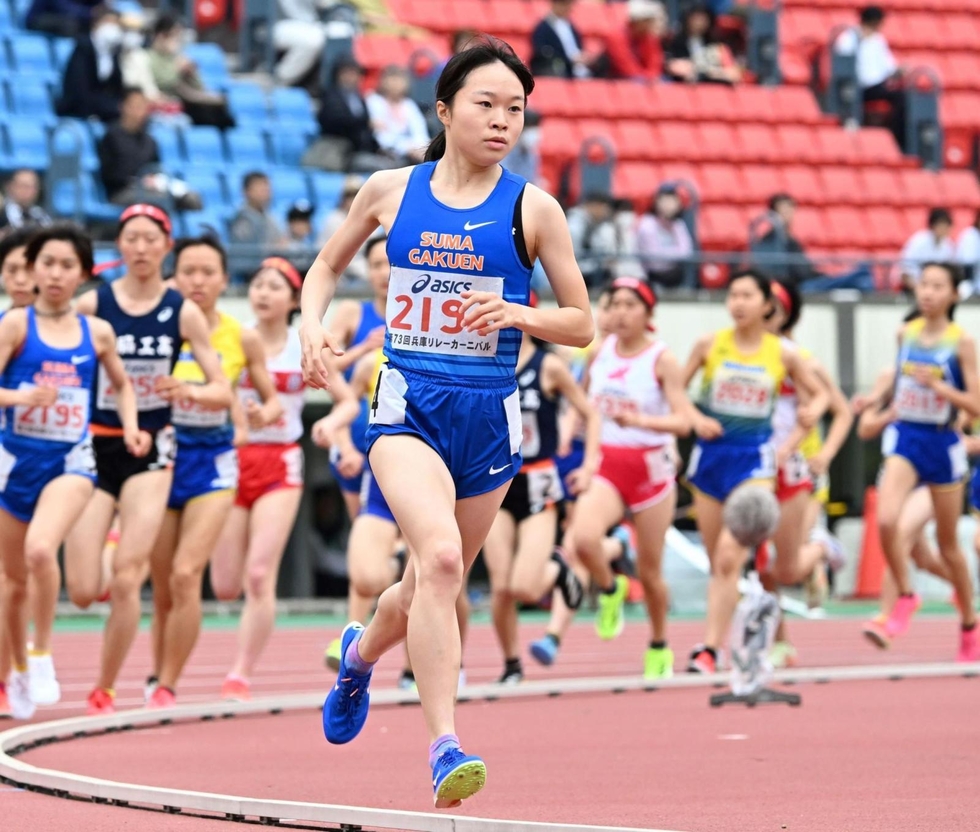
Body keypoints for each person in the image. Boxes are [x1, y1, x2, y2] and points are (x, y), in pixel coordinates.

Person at [300, 38, 593, 807]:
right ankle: (444, 746)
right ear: (445, 109)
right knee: (435, 561)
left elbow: (581, 321)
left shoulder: (534, 208)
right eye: (486, 105)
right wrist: (311, 326)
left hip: (489, 416)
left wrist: (518, 312)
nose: (502, 121)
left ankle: (358, 656)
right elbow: (326, 265)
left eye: (516, 109)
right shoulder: (392, 190)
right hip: (409, 401)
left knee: (428, 581)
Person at [64, 204, 231, 716]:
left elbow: (223, 391)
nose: (139, 248)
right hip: (96, 445)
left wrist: (189, 389)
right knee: (85, 588)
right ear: (120, 246)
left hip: (151, 448)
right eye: (129, 239)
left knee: (130, 577)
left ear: (165, 246)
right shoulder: (92, 305)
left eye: (149, 239)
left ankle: (106, 689)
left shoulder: (181, 310)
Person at [0, 224, 143, 720]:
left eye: (67, 266)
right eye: (47, 264)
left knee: (42, 548)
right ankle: (16, 666)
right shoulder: (16, 325)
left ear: (82, 273)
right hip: (16, 462)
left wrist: (129, 426)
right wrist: (20, 397)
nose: (56, 274)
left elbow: (123, 387)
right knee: (12, 581)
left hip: (71, 461)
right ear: (33, 270)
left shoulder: (96, 331)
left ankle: (41, 654)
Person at [146, 238, 282, 707]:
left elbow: (269, 397)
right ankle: (156, 673)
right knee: (163, 584)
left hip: (214, 462)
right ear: (173, 276)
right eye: (188, 272)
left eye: (208, 272)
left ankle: (166, 684)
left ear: (225, 280)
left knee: (187, 575)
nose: (198, 282)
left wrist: (264, 412)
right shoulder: (155, 329)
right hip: (162, 459)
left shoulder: (239, 336)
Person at [682, 269, 826, 674]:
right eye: (733, 295)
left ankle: (710, 650)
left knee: (731, 556)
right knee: (719, 564)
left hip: (756, 465)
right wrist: (694, 416)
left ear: (767, 304)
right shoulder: (709, 345)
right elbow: (675, 389)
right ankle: (734, 637)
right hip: (711, 461)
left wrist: (794, 438)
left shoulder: (782, 353)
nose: (738, 303)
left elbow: (818, 400)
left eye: (747, 296)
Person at [567, 277, 692, 676]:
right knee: (583, 539)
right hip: (608, 465)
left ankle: (658, 643)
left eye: (630, 304)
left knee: (652, 573)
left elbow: (684, 421)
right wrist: (569, 431)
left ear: (648, 314)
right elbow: (583, 404)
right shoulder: (599, 351)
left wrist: (639, 420)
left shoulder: (662, 359)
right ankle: (610, 587)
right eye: (614, 303)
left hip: (650, 472)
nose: (620, 311)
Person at [483, 291, 599, 684]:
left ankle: (558, 569)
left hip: (537, 483)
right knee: (500, 587)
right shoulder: (480, 362)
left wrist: (589, 465)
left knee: (524, 587)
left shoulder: (548, 367)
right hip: (492, 482)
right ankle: (512, 664)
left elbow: (590, 414)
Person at [865, 262, 980, 661]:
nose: (927, 292)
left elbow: (976, 403)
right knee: (885, 520)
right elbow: (899, 384)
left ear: (952, 294)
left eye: (937, 286)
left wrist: (942, 389)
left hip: (942, 444)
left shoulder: (961, 342)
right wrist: (878, 402)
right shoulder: (905, 334)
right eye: (923, 285)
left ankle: (968, 622)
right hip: (907, 439)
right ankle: (906, 595)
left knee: (948, 546)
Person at [210, 258, 310, 701]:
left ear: (293, 299)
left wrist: (336, 424)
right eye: (257, 284)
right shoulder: (231, 337)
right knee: (224, 585)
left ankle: (240, 673)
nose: (263, 292)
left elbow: (345, 397)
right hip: (231, 459)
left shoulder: (301, 344)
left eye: (275, 286)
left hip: (280, 461)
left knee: (257, 575)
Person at [763, 280, 853, 667]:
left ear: (784, 315)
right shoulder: (743, 355)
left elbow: (843, 411)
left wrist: (827, 452)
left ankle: (821, 551)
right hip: (761, 468)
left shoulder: (803, 360)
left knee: (787, 563)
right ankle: (780, 639)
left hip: (805, 472)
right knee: (762, 557)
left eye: (768, 308)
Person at [0, 228, 40, 717]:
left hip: (40, 465)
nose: (21, 279)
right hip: (7, 458)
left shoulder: (74, 327)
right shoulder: (6, 325)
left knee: (20, 577)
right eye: (10, 271)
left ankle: (22, 668)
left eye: (27, 271)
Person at [98, 87, 202, 210]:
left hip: (151, 189)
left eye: (143, 106)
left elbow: (156, 168)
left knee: (191, 198)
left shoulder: (150, 141)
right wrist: (139, 180)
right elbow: (109, 174)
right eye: (135, 106)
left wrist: (154, 179)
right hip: (122, 192)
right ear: (123, 106)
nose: (139, 111)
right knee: (159, 199)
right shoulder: (111, 136)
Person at [144, 13, 234, 129]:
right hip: (171, 104)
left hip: (187, 102)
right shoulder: (149, 57)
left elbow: (199, 87)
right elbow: (164, 83)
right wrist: (178, 69)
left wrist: (191, 72)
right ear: (161, 36)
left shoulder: (177, 57)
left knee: (220, 113)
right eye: (173, 36)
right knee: (208, 113)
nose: (176, 41)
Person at [833, 6, 906, 146]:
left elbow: (888, 68)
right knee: (898, 96)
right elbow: (842, 63)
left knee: (903, 97)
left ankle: (897, 138)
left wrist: (899, 72)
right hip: (856, 86)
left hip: (877, 86)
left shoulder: (878, 40)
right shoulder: (848, 38)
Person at [55, 4, 126, 122]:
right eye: (108, 22)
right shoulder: (83, 48)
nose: (113, 28)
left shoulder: (113, 52)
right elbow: (78, 88)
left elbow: (116, 87)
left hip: (104, 110)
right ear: (96, 23)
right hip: (78, 109)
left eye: (115, 24)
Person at [366, 66, 430, 165]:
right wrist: (407, 148)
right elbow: (382, 137)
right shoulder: (374, 101)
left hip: (413, 152)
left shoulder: (409, 105)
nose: (395, 84)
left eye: (400, 80)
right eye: (392, 79)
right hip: (385, 154)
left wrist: (419, 148)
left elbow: (420, 133)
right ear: (383, 81)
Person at [665, 3, 741, 85]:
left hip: (714, 86)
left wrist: (713, 73)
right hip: (685, 87)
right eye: (695, 19)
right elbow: (672, 66)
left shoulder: (718, 46)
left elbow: (733, 74)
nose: (699, 23)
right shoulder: (675, 43)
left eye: (702, 19)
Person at [635, 185, 694, 288]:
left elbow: (686, 252)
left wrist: (666, 254)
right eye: (664, 200)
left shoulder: (678, 224)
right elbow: (655, 260)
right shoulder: (647, 224)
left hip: (675, 276)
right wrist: (675, 253)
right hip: (651, 276)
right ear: (656, 202)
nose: (668, 205)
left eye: (672, 201)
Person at [605, 0, 666, 83]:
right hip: (619, 79)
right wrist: (646, 78)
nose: (652, 25)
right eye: (649, 21)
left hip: (643, 78)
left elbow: (655, 62)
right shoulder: (616, 36)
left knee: (665, 82)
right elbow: (625, 65)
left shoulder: (649, 38)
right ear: (638, 21)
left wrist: (651, 77)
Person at [530, 0, 592, 79]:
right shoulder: (543, 28)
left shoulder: (571, 26)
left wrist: (583, 57)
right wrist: (570, 60)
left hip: (578, 68)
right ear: (554, 4)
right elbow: (542, 51)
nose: (568, 8)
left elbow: (579, 45)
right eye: (564, 5)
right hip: (558, 68)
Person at [898, 208, 955, 290]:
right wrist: (919, 289)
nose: (944, 229)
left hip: (936, 290)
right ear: (932, 225)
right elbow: (905, 271)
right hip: (914, 288)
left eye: (947, 226)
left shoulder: (948, 246)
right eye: (941, 225)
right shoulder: (918, 241)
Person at [230, 172, 286, 249]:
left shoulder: (271, 218)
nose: (266, 193)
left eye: (267, 189)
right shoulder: (240, 219)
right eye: (260, 189)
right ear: (246, 191)